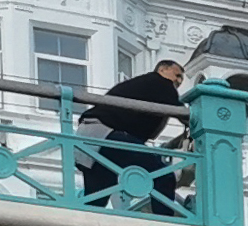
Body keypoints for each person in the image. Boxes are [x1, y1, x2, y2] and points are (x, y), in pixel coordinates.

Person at [80, 58, 190, 214]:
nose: (178, 81)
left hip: (88, 135)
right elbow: (183, 113)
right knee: (163, 175)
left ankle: (80, 224)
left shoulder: (146, 85)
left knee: (96, 199)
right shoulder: (161, 83)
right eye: (177, 75)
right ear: (162, 70)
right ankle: (165, 223)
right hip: (106, 133)